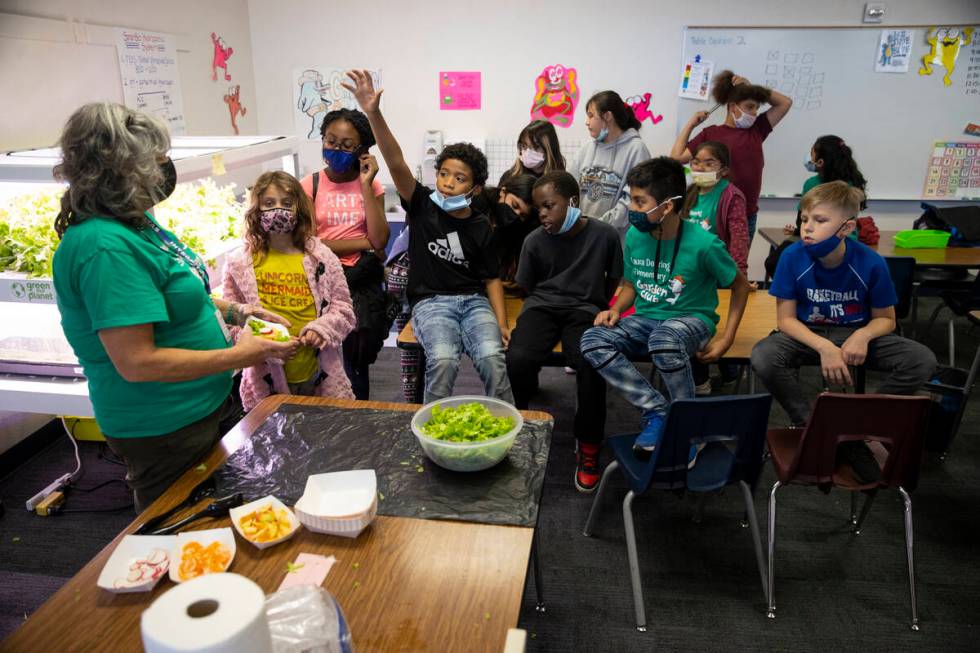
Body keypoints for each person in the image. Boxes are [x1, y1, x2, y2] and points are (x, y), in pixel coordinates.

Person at [51, 102, 298, 511]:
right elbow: (138, 362)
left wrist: (239, 313)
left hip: (200, 409)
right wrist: (238, 356)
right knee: (179, 527)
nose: (165, 168)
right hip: (163, 425)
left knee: (217, 512)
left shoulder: (134, 222)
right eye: (156, 159)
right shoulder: (103, 247)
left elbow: (180, 296)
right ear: (119, 170)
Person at [343, 69, 513, 404]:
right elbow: (394, 160)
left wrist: (502, 324)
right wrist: (373, 113)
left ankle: (506, 428)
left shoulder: (480, 225)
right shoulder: (422, 204)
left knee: (494, 360)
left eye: (459, 178)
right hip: (431, 303)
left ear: (475, 189)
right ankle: (434, 431)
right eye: (444, 173)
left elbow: (492, 279)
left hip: (474, 302)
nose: (448, 182)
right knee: (445, 360)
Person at [751, 181, 937, 483]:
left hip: (855, 335)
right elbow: (785, 320)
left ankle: (855, 430)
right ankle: (815, 426)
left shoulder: (871, 262)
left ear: (847, 227)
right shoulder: (791, 256)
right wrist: (824, 347)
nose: (807, 227)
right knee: (763, 355)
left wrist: (862, 336)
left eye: (820, 221)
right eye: (805, 218)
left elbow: (886, 320)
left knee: (921, 360)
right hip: (807, 335)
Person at [581, 157, 750, 459]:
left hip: (692, 320)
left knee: (665, 340)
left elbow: (739, 287)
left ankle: (688, 427)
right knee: (592, 340)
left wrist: (726, 338)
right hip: (646, 319)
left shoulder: (705, 244)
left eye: (639, 201)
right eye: (631, 199)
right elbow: (631, 286)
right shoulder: (635, 236)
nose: (632, 209)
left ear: (667, 206)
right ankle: (657, 410)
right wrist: (616, 309)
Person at [506, 171, 623, 492]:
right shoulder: (534, 240)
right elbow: (527, 286)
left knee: (590, 362)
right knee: (518, 357)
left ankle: (588, 444)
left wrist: (595, 301)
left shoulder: (605, 235)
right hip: (542, 306)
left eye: (548, 206)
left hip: (585, 309)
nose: (541, 213)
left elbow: (612, 279)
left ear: (573, 203)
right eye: (537, 207)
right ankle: (517, 427)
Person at [222, 170, 356, 411]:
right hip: (266, 374)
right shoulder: (239, 263)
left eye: (286, 203)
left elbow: (344, 310)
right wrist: (266, 339)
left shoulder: (321, 257)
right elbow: (231, 321)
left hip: (317, 370)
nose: (278, 211)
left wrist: (321, 329)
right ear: (256, 209)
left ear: (299, 208)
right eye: (269, 204)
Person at [300, 108, 389, 400]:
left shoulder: (371, 184)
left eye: (347, 145)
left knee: (356, 358)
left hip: (360, 278)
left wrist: (365, 184)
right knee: (321, 353)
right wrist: (363, 243)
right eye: (331, 141)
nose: (337, 149)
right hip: (321, 277)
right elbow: (311, 242)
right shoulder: (310, 184)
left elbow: (381, 238)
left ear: (361, 149)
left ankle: (359, 414)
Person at [671, 70, 793, 245]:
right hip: (714, 212)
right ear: (732, 106)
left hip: (746, 214)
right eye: (750, 107)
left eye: (757, 108)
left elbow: (785, 103)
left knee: (737, 266)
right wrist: (691, 124)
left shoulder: (756, 131)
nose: (755, 113)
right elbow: (676, 157)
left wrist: (751, 88)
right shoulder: (711, 133)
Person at [684, 140, 751, 393]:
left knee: (719, 327)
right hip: (692, 275)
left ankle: (729, 371)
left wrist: (739, 275)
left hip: (719, 274)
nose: (700, 167)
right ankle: (705, 380)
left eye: (708, 162)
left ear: (723, 169)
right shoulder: (690, 192)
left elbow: (739, 239)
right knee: (699, 329)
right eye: (696, 162)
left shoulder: (731, 195)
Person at [571, 90, 651, 241]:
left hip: (615, 241)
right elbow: (570, 187)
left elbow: (632, 200)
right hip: (583, 237)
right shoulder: (586, 148)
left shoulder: (636, 149)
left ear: (607, 116)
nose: (587, 122)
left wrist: (597, 227)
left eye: (590, 115)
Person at [784, 134, 868, 236]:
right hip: (848, 238)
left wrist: (797, 231)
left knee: (784, 251)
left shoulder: (811, 184)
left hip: (818, 240)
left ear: (820, 162)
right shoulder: (853, 182)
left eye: (811, 154)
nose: (809, 158)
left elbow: (801, 221)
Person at [501, 119, 566, 182]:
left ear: (549, 149)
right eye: (524, 146)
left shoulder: (561, 182)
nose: (528, 152)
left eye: (535, 147)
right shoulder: (509, 178)